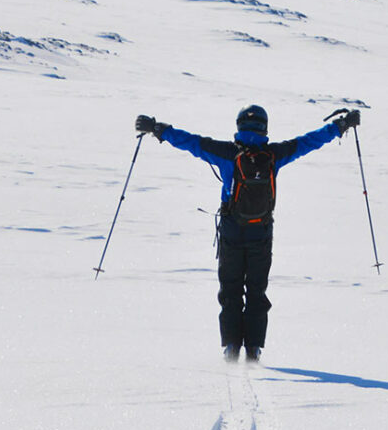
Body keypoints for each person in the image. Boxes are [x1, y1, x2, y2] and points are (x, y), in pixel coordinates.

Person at [135, 104, 361, 363]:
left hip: (231, 229)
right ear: (265, 127)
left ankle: (231, 346)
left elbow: (192, 143)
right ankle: (253, 349)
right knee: (256, 290)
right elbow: (309, 142)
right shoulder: (275, 154)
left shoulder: (227, 152)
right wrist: (339, 126)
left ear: (239, 125)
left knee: (230, 289)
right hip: (261, 232)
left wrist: (158, 129)